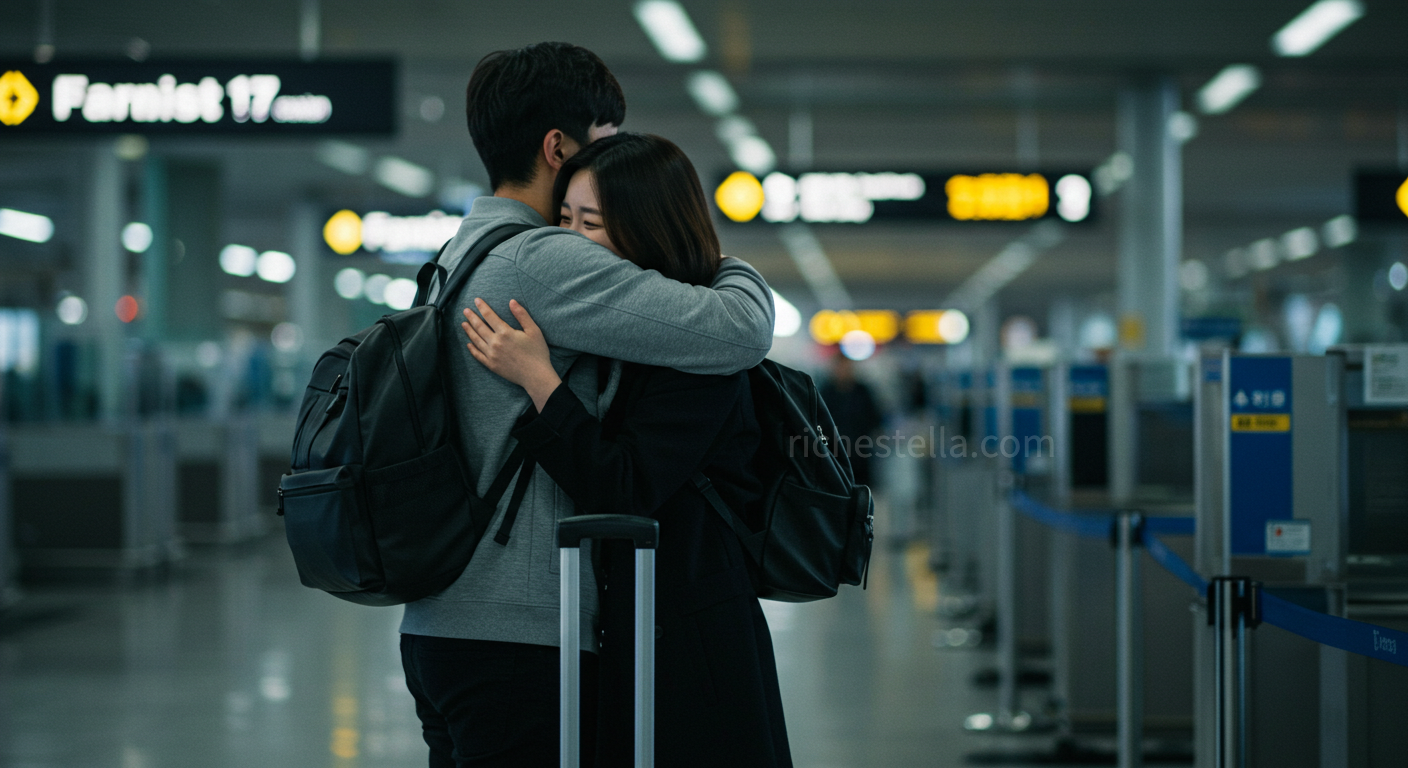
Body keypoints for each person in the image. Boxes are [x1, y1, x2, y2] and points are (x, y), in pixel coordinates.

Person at [397, 44, 776, 768]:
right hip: (518, 631)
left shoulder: (456, 256)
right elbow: (740, 329)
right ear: (557, 146)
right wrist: (706, 248)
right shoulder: (543, 260)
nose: (616, 155)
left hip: (441, 619)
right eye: (605, 139)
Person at [819, 354, 883, 489]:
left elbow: (874, 418)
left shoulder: (862, 392)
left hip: (860, 451)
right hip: (834, 453)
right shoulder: (826, 393)